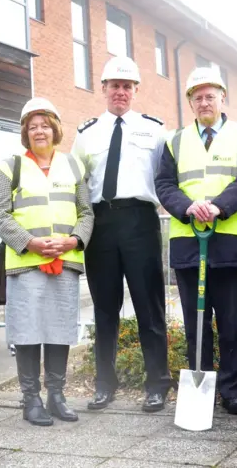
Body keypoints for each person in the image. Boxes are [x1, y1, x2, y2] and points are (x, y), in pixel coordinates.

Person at [155, 67, 237, 415]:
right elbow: (165, 185)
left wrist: (218, 206)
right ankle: (201, 392)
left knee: (230, 322)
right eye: (197, 97)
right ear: (190, 101)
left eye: (210, 95)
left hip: (229, 241)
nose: (204, 102)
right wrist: (189, 207)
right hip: (189, 243)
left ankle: (231, 392)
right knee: (195, 322)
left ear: (222, 97)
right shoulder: (175, 140)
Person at [71, 56, 171, 413]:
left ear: (135, 91)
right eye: (114, 85)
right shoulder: (86, 133)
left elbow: (167, 178)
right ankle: (104, 384)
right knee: (105, 309)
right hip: (101, 224)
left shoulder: (155, 130)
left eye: (127, 86)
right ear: (103, 89)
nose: (121, 92)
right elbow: (77, 184)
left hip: (141, 221)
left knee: (149, 306)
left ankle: (157, 384)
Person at [0, 97, 94, 426]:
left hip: (65, 261)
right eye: (32, 126)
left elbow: (86, 213)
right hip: (26, 263)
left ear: (55, 129)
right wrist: (31, 242)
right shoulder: (11, 167)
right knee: (27, 330)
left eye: (45, 125)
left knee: (59, 328)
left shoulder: (74, 166)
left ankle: (57, 396)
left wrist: (74, 240)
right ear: (25, 132)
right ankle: (31, 399)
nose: (39, 131)